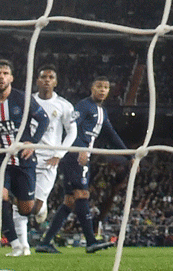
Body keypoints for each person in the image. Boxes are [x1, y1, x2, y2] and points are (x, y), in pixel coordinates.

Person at [35, 76, 123, 255]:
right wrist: (80, 148)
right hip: (75, 155)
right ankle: (91, 241)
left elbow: (111, 134)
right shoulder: (83, 106)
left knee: (70, 200)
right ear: (92, 88)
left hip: (81, 155)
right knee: (82, 194)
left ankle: (45, 242)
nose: (102, 90)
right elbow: (72, 128)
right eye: (99, 86)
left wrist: (129, 154)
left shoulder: (101, 111)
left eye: (106, 87)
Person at [0, 60, 48, 258]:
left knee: (26, 209)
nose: (1, 76)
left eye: (5, 73)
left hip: (24, 160)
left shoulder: (22, 99)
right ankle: (15, 244)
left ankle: (36, 206)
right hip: (2, 160)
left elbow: (44, 119)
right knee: (0, 196)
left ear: (11, 77)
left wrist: (33, 143)